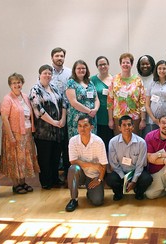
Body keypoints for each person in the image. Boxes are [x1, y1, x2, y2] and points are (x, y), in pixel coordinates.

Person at [0, 73, 39, 194]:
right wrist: (10, 136)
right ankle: (16, 184)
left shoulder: (26, 97)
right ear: (10, 85)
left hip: (26, 133)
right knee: (14, 159)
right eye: (14, 83)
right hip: (14, 133)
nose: (17, 85)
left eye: (18, 82)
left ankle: (23, 182)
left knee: (24, 159)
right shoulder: (8, 99)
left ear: (22, 83)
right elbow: (5, 118)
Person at [29, 65, 66, 190]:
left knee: (56, 157)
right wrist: (53, 122)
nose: (47, 75)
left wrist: (62, 120)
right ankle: (46, 182)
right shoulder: (35, 90)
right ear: (39, 74)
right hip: (44, 132)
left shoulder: (54, 87)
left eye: (49, 73)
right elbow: (38, 110)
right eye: (45, 73)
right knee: (45, 158)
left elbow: (63, 104)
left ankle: (55, 179)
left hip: (58, 130)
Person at [65, 115, 108, 212]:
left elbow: (103, 164)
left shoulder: (98, 142)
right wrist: (93, 165)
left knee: (98, 201)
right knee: (73, 169)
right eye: (79, 126)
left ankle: (90, 193)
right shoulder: (73, 141)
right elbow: (73, 161)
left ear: (91, 127)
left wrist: (99, 179)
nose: (82, 129)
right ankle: (74, 199)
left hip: (93, 175)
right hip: (80, 174)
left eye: (85, 126)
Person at [107, 115, 153, 201]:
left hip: (135, 171)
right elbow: (114, 164)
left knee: (147, 179)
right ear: (119, 128)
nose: (127, 127)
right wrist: (125, 179)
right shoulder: (113, 142)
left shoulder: (141, 142)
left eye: (129, 125)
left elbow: (140, 165)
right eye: (124, 125)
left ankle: (138, 192)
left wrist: (134, 181)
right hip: (121, 172)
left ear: (133, 126)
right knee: (110, 179)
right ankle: (118, 192)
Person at [107, 53, 146, 135]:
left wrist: (143, 119)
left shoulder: (138, 80)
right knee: (119, 143)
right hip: (118, 117)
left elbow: (142, 101)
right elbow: (110, 101)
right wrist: (110, 119)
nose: (125, 64)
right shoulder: (114, 79)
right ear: (120, 64)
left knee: (134, 143)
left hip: (134, 118)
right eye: (123, 62)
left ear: (131, 64)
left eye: (127, 62)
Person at [50, 47, 72, 184]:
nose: (59, 58)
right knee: (55, 145)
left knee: (66, 144)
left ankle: (67, 172)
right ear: (52, 57)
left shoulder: (69, 72)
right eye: (57, 56)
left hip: (67, 113)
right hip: (51, 114)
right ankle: (54, 174)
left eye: (62, 56)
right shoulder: (46, 72)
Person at [66, 60, 100, 138]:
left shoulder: (90, 82)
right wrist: (89, 111)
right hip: (77, 119)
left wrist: (95, 109)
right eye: (78, 68)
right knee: (78, 142)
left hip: (91, 117)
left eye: (83, 68)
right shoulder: (71, 83)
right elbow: (73, 102)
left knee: (91, 141)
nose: (81, 70)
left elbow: (96, 99)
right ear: (74, 70)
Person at [145, 60, 166, 132]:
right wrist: (153, 119)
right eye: (159, 68)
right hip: (154, 120)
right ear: (156, 70)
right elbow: (147, 105)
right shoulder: (151, 84)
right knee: (155, 140)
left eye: (164, 68)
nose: (162, 70)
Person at [91, 56, 114, 152]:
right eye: (100, 65)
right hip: (98, 116)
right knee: (99, 143)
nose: (102, 66)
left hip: (112, 116)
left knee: (110, 142)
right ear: (97, 66)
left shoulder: (115, 79)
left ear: (108, 65)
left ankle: (110, 165)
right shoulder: (92, 80)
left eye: (104, 64)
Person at [137, 55, 156, 137]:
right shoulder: (136, 78)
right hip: (138, 115)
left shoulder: (156, 78)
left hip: (152, 114)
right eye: (142, 64)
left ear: (152, 65)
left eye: (147, 64)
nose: (145, 66)